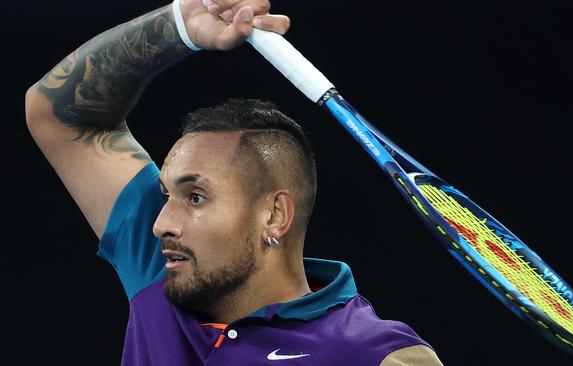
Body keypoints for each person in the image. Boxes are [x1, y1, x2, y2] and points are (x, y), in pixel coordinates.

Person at [25, 0, 443, 365]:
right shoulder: (160, 267)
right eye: (167, 195)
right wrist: (181, 25)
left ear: (274, 215)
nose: (161, 223)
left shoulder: (373, 355)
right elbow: (60, 114)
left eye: (196, 197)